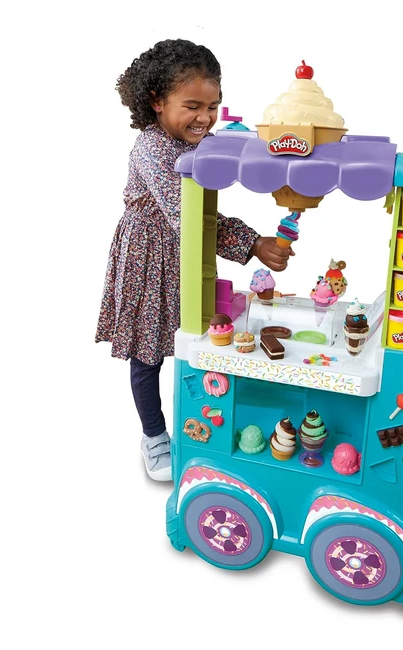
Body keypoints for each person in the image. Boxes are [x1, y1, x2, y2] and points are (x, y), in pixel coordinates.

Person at [95, 39, 292, 481]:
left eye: (213, 106)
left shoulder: (196, 141)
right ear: (157, 102)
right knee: (148, 355)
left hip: (188, 256)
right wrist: (252, 243)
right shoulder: (152, 150)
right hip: (149, 257)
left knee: (201, 338)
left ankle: (205, 421)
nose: (204, 117)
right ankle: (154, 435)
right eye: (192, 106)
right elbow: (191, 217)